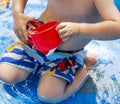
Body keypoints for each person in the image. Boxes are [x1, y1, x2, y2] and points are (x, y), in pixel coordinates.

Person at [0, 0, 120, 103]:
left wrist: (80, 29)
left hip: (65, 56)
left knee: (48, 96)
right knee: (6, 75)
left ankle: (87, 66)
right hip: (35, 42)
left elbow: (117, 27)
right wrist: (18, 13)